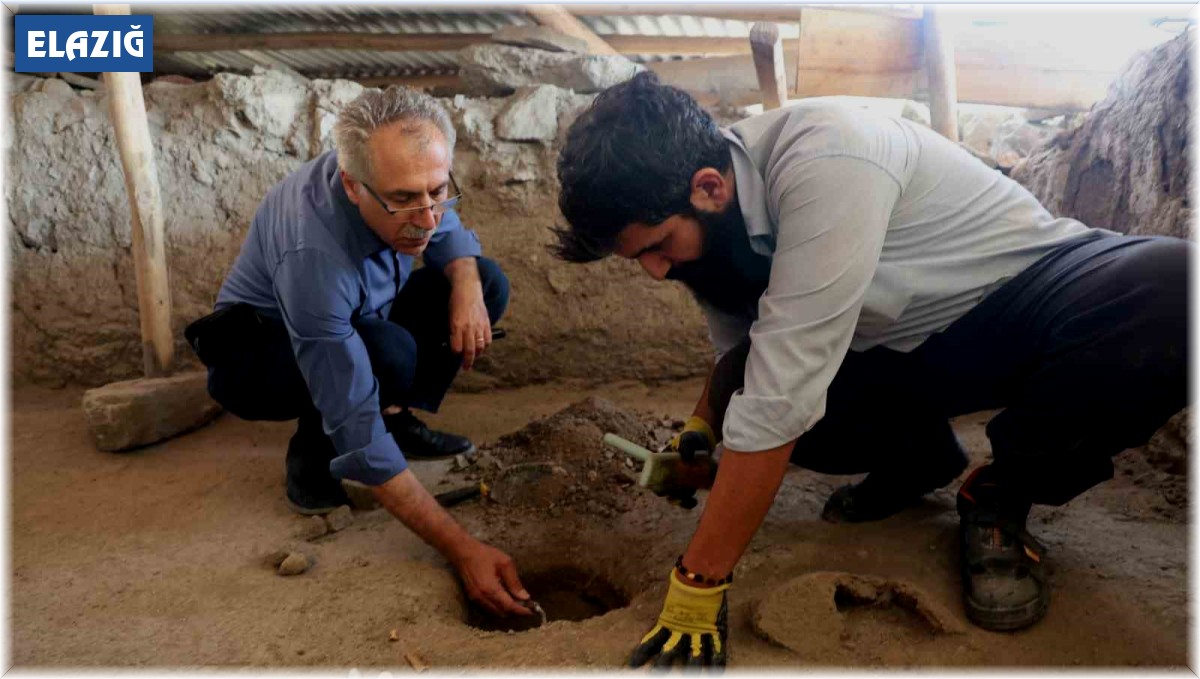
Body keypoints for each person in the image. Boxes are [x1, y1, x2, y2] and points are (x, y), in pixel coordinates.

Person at [552, 72, 1189, 666]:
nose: (655, 271)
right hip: (904, 344)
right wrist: (697, 434)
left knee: (1175, 289)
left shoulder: (828, 155)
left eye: (658, 246)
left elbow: (780, 391)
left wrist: (699, 582)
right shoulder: (712, 231)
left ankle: (1000, 494)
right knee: (756, 383)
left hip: (1021, 295)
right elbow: (738, 357)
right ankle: (919, 460)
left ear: (709, 187)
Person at [189, 86, 532, 619]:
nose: (427, 217)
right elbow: (351, 411)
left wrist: (464, 285)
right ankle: (311, 458)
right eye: (403, 199)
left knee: (485, 282)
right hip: (258, 356)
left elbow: (445, 229)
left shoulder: (398, 182)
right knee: (384, 354)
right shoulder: (314, 253)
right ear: (353, 185)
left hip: (355, 323)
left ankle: (395, 415)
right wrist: (462, 550)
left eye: (438, 190)